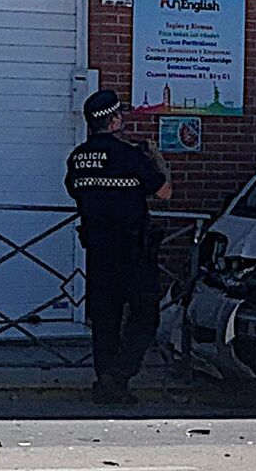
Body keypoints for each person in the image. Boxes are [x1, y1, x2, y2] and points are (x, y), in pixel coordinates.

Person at [64, 90, 172, 404]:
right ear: (113, 121)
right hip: (133, 249)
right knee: (145, 316)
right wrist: (157, 160)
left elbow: (75, 192)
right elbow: (164, 192)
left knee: (105, 320)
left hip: (97, 251)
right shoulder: (129, 155)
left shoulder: (77, 158)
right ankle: (121, 375)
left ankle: (105, 380)